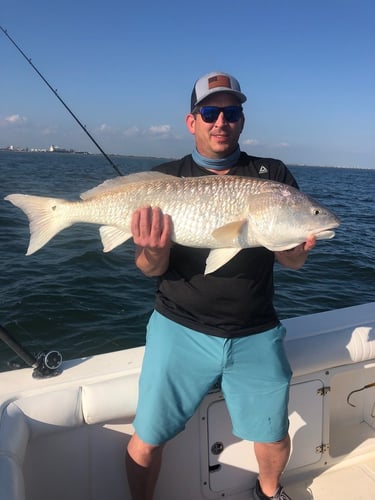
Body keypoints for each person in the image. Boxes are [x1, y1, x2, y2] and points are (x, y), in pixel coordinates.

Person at [126, 71, 316, 500]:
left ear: (242, 120)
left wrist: (295, 252)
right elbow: (148, 268)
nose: (220, 121)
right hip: (179, 326)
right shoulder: (163, 180)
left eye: (230, 112)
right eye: (209, 112)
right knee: (147, 437)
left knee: (273, 435)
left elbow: (289, 258)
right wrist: (152, 249)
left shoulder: (273, 176)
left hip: (255, 330)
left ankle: (269, 492)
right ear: (191, 121)